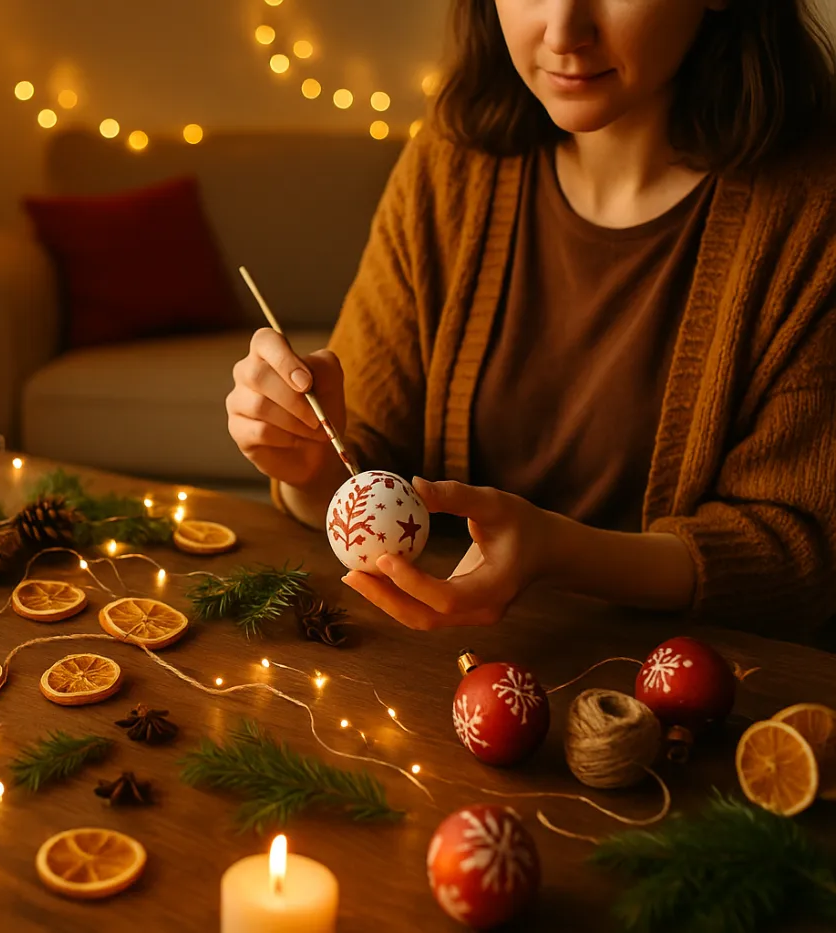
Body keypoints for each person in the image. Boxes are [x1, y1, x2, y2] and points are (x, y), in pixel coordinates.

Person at [227, 0, 836, 635]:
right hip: (439, 666)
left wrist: (562, 554)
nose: (563, 32)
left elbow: (800, 557)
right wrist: (307, 467)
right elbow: (365, 463)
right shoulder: (449, 165)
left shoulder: (814, 211)